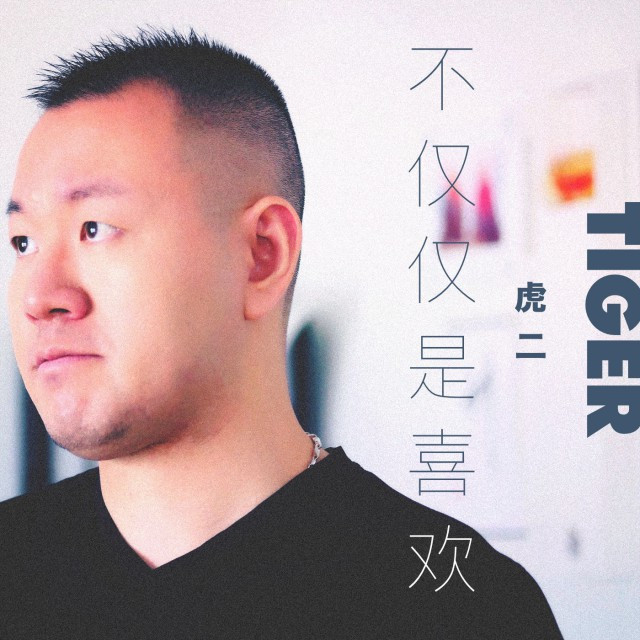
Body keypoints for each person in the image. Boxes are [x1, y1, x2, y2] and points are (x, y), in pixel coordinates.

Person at [0, 29, 564, 639]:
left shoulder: (459, 608)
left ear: (261, 255)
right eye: (23, 242)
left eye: (95, 228)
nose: (38, 297)